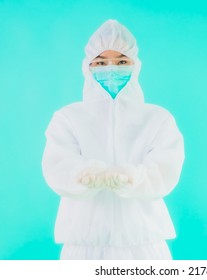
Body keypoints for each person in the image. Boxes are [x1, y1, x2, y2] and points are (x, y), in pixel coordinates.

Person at [41, 19, 185, 260]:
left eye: (121, 61)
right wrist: (86, 177)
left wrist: (131, 178)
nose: (110, 68)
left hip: (144, 245)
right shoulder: (68, 118)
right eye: (100, 62)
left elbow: (165, 170)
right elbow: (58, 166)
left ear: (135, 65)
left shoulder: (157, 119)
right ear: (87, 67)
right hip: (84, 246)